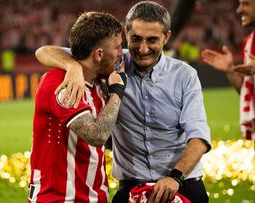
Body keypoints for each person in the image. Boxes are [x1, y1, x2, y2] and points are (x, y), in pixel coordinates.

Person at [35, 1, 212, 203]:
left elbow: (199, 137)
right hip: (132, 188)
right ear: (127, 33)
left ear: (167, 37)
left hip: (181, 184)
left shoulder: (185, 76)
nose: (143, 49)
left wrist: (176, 177)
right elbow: (44, 51)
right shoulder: (111, 62)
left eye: (152, 40)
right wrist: (71, 65)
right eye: (136, 39)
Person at [29, 11, 126, 202]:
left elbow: (45, 50)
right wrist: (117, 92)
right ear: (98, 54)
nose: (121, 53)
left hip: (95, 196)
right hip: (60, 198)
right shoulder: (58, 84)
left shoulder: (99, 79)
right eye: (118, 47)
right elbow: (96, 135)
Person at [201, 0, 255, 141]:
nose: (239, 10)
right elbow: (247, 93)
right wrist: (229, 70)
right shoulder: (249, 42)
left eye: (246, 4)